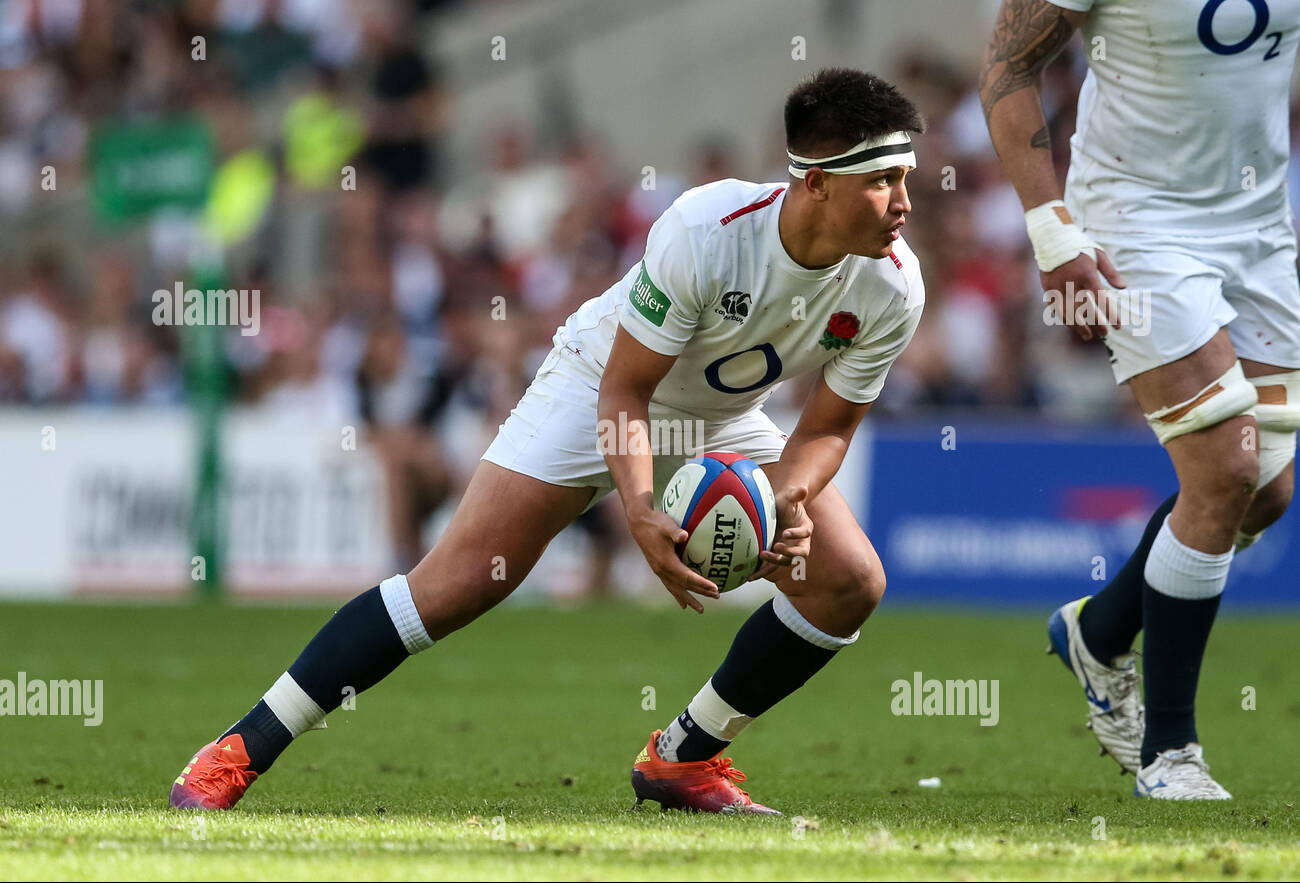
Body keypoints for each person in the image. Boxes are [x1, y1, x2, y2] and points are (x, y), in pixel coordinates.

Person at [169, 67, 925, 815]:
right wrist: (637, 506)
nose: (904, 202)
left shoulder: (894, 285)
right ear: (818, 182)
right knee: (460, 581)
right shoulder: (708, 230)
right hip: (599, 383)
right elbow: (626, 390)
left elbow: (825, 429)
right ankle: (238, 749)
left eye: (906, 178)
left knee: (850, 581)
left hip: (719, 420)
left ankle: (684, 757)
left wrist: (787, 497)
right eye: (884, 180)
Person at [980, 0, 1299, 798]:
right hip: (1137, 219)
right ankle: (1171, 750)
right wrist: (1053, 233)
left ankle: (1099, 630)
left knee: (1265, 489)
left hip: (1260, 221)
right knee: (1225, 467)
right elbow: (1007, 67)